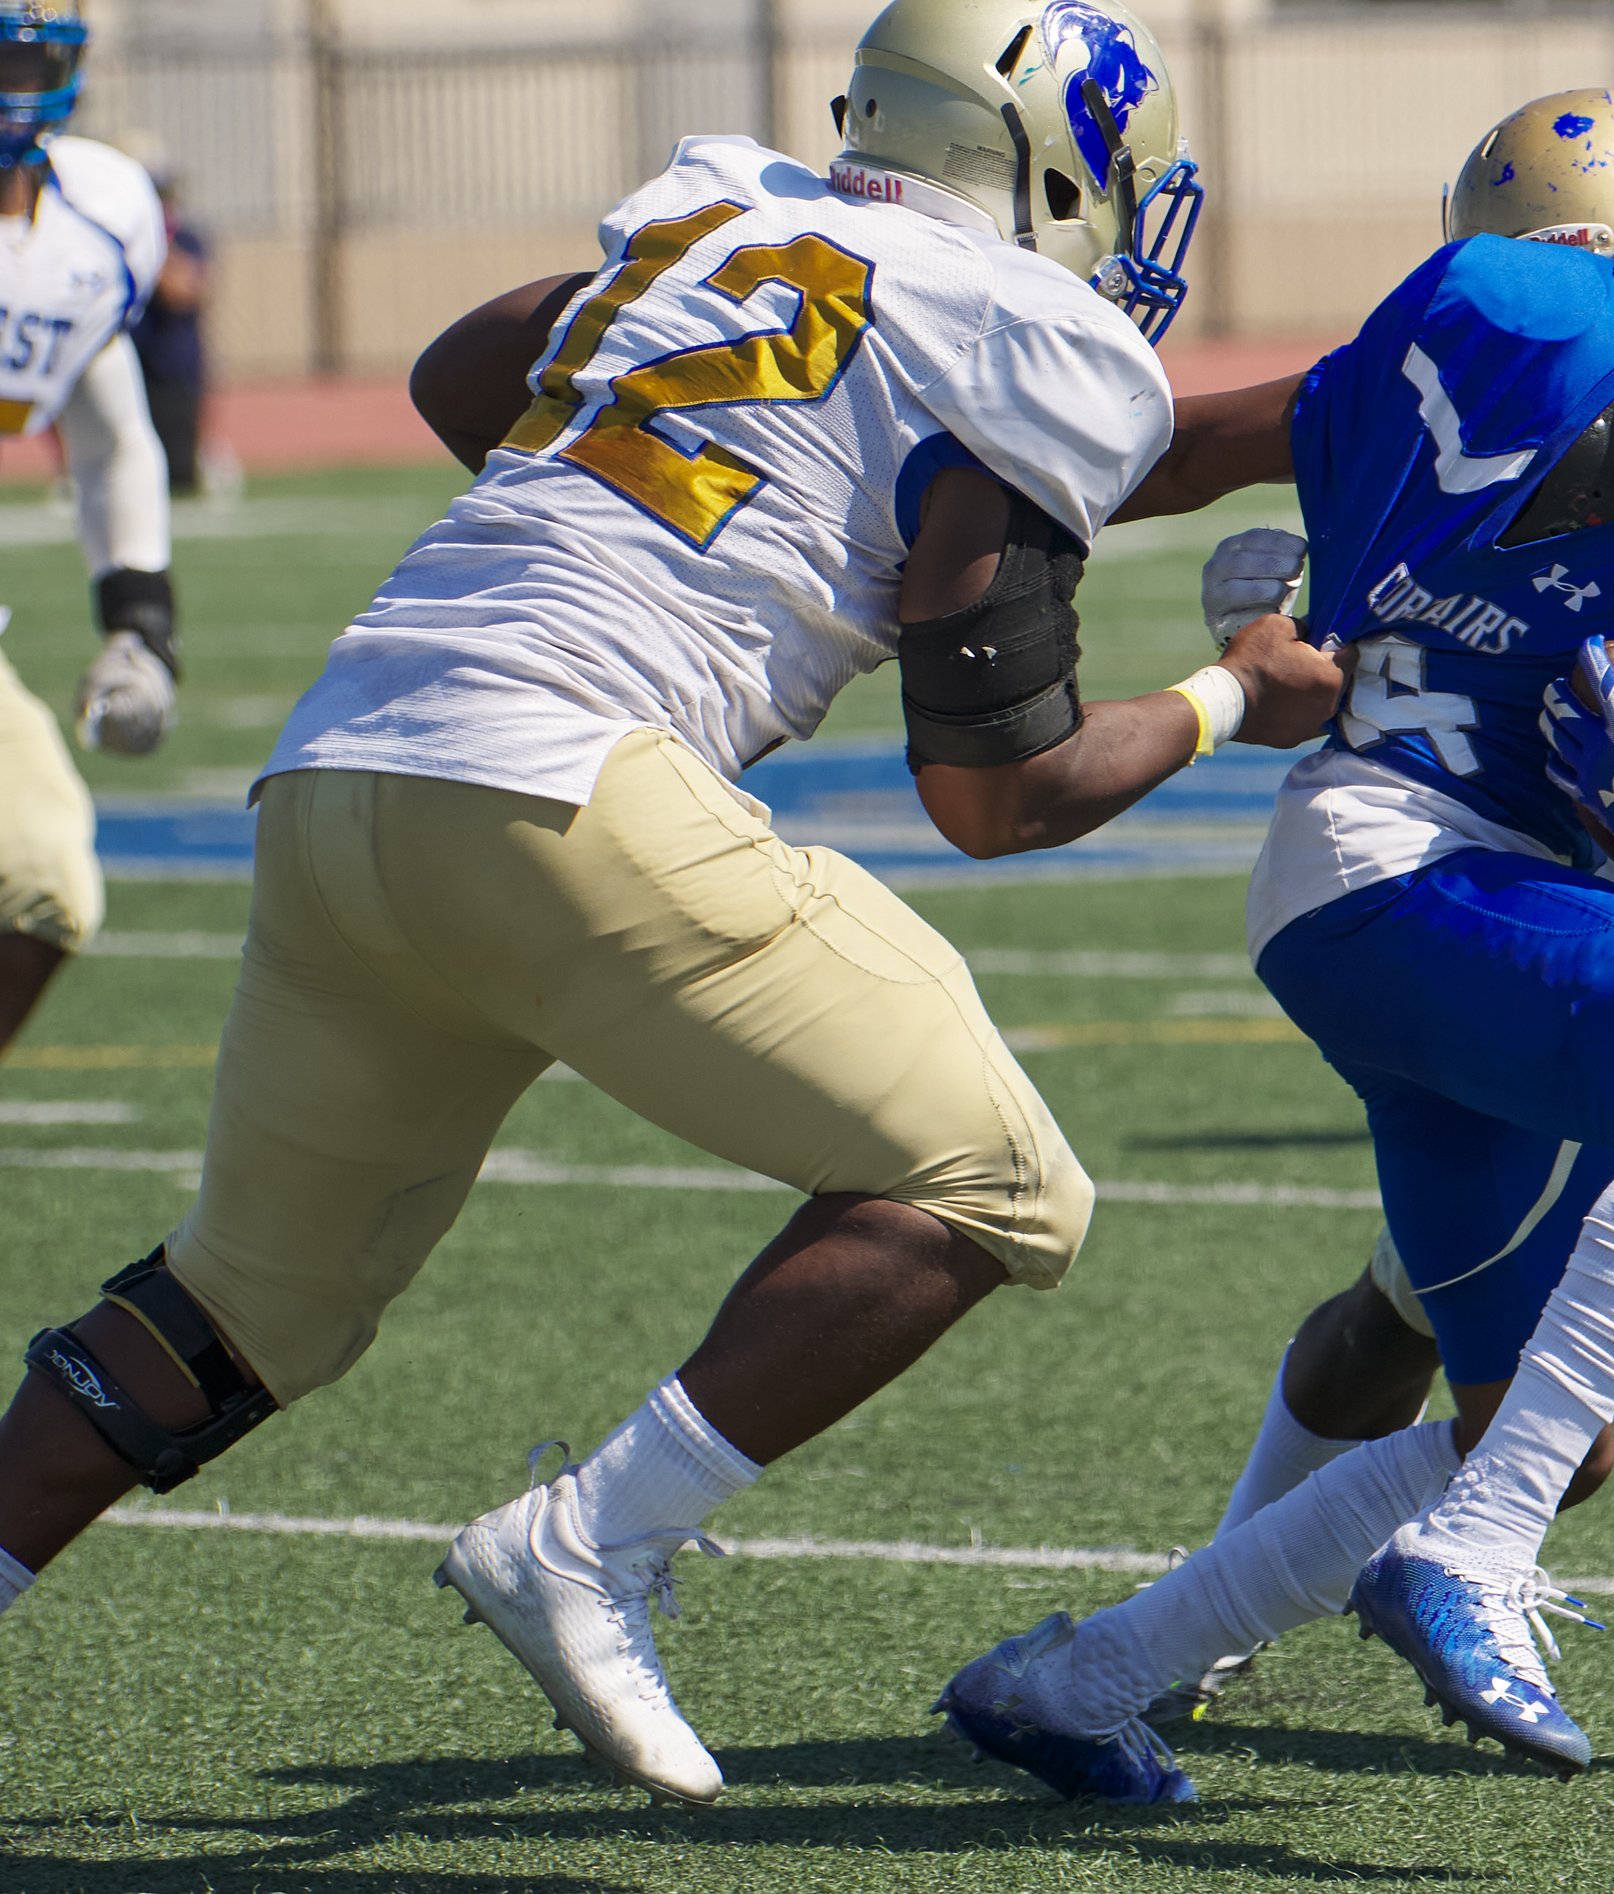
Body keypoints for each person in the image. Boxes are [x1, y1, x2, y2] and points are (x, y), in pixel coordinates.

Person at [0, 0, 1345, 1811]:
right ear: (1031, 164)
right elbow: (998, 790)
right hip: (565, 783)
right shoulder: (1021, 331)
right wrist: (1238, 695)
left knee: (237, 1305)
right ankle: (593, 1536)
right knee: (998, 1176)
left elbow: (462, 374)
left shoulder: (728, 222)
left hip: (345, 764)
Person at [937, 71, 1614, 1797]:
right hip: (1380, 854)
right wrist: (973, 552)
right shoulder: (1520, 318)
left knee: (1545, 1420)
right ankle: (1475, 1547)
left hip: (1526, 893)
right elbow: (1220, 450)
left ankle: (1083, 1678)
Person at [0, 0, 181, 1056]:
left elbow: (111, 433)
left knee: (46, 884)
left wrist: (140, 619)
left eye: (25, 52)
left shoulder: (96, 217)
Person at [131, 159, 209, 496]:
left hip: (174, 360)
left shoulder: (187, 238)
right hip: (137, 358)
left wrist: (157, 255)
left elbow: (182, 291)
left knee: (178, 474)